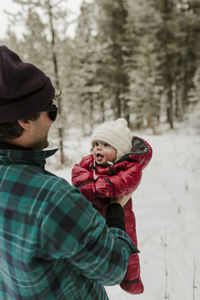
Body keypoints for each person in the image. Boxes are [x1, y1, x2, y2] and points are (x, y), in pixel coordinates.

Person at [0, 45, 138, 300]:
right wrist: (117, 208)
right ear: (24, 120)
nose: (53, 121)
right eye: (50, 111)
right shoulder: (52, 199)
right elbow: (113, 268)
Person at [72, 118, 152, 294]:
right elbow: (77, 175)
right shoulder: (87, 163)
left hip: (120, 214)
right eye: (96, 144)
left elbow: (125, 183)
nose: (98, 148)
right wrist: (89, 185)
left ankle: (131, 281)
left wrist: (97, 186)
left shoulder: (129, 167)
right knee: (91, 245)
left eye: (106, 144)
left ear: (119, 151)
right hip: (92, 214)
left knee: (127, 244)